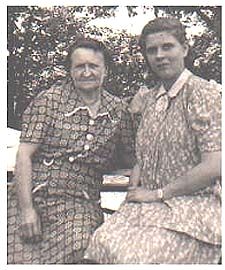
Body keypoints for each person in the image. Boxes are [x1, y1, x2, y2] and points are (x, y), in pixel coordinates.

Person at [84, 17, 222, 264]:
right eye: (152, 50)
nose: (159, 55)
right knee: (101, 240)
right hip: (149, 206)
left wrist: (159, 193)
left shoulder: (204, 94)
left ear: (185, 49)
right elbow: (143, 156)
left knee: (133, 256)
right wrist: (134, 188)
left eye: (167, 46)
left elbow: (214, 165)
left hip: (194, 210)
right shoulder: (152, 100)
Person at [7, 37, 135, 264]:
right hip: (33, 195)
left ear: (105, 70)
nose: (87, 72)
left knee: (82, 248)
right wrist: (27, 209)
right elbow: (24, 155)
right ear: (70, 70)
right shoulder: (49, 101)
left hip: (79, 203)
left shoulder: (118, 111)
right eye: (79, 66)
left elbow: (134, 156)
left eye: (93, 66)